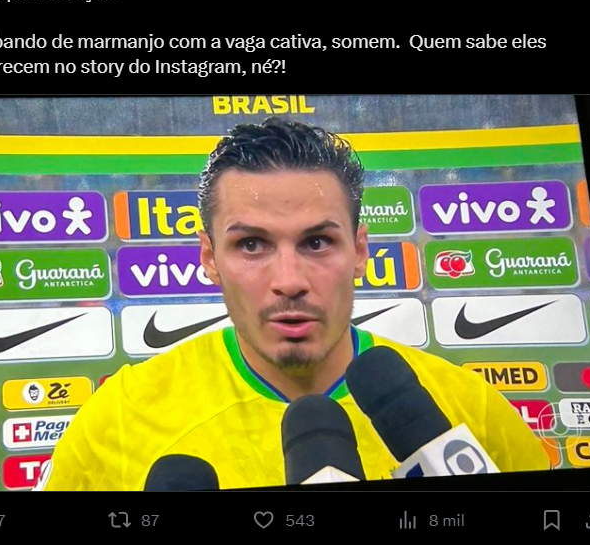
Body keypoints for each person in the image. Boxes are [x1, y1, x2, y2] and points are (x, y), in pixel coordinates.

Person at [39, 118, 549, 490]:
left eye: (317, 242)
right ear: (210, 258)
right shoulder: (118, 418)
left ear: (360, 251)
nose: (289, 282)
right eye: (251, 245)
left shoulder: (472, 412)